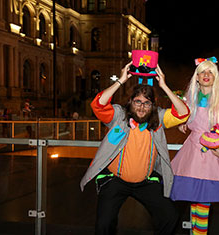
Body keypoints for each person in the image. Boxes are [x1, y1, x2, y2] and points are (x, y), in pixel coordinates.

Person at [80, 61, 190, 235]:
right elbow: (98, 105)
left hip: (145, 182)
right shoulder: (118, 115)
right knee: (104, 224)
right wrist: (121, 81)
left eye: (147, 103)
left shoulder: (158, 119)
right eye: (137, 101)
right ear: (130, 102)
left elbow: (183, 113)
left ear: (152, 105)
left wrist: (164, 85)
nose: (141, 107)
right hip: (115, 180)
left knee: (169, 216)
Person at [170, 58, 219, 235]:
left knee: (203, 202)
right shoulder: (188, 100)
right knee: (194, 202)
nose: (206, 75)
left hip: (212, 156)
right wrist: (182, 124)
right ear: (196, 77)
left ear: (215, 77)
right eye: (202, 71)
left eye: (210, 72)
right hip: (191, 154)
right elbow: (179, 118)